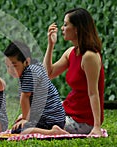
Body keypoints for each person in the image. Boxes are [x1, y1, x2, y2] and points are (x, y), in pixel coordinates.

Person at [43, 8, 104, 136]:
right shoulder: (71, 52)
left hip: (83, 121)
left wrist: (97, 127)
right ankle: (55, 128)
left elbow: (94, 93)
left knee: (31, 122)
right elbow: (48, 74)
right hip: (69, 109)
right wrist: (50, 45)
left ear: (77, 29)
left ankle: (56, 130)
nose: (62, 28)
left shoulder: (89, 56)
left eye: (65, 24)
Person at [4, 41, 68, 135]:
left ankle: (52, 132)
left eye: (14, 66)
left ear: (26, 62)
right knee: (18, 124)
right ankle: (53, 128)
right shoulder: (35, 67)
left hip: (48, 119)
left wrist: (26, 119)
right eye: (7, 66)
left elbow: (25, 97)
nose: (10, 70)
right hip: (56, 118)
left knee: (19, 130)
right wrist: (25, 116)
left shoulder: (29, 74)